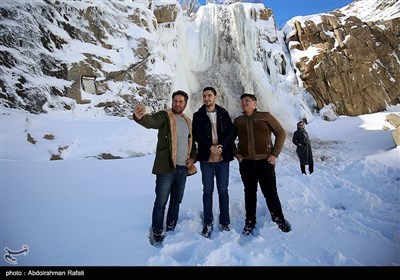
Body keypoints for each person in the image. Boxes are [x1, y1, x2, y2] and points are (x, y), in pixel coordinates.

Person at [133, 90, 197, 245]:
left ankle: (171, 226)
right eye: (175, 100)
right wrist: (140, 117)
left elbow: (192, 144)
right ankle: (157, 230)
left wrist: (193, 158)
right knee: (161, 201)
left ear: (185, 104)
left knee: (177, 200)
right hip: (166, 167)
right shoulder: (165, 116)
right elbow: (152, 122)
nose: (177, 104)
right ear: (172, 101)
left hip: (182, 168)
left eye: (181, 101)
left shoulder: (188, 121)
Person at [232, 93, 291, 235]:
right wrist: (236, 154)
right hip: (246, 163)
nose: (244, 103)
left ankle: (279, 219)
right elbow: (230, 139)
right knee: (249, 193)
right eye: (242, 101)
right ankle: (250, 222)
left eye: (247, 100)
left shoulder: (265, 116)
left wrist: (274, 154)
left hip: (265, 162)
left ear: (255, 103)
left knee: (270, 192)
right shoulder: (238, 121)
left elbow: (280, 133)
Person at [192, 87, 235, 238]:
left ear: (215, 97)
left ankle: (225, 222)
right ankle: (208, 222)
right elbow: (197, 135)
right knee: (208, 191)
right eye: (204, 96)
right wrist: (211, 147)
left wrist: (221, 146)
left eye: (209, 95)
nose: (207, 98)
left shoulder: (223, 113)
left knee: (223, 191)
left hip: (223, 158)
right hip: (206, 158)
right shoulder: (198, 115)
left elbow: (231, 131)